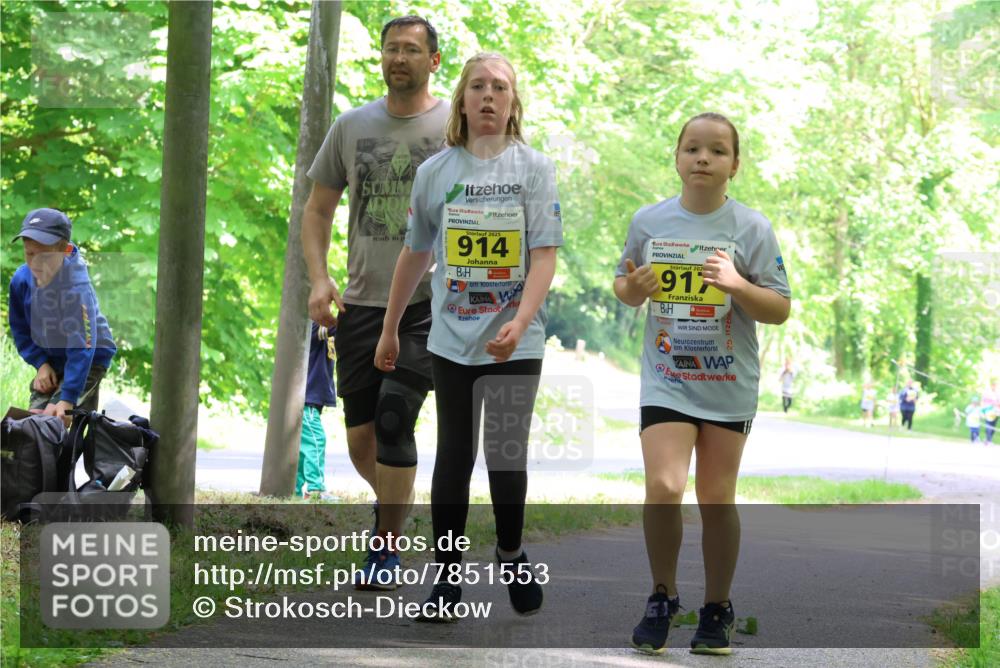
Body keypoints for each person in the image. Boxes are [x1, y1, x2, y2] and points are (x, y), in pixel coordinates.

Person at [375, 52, 562, 621]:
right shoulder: (438, 172)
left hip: (514, 340)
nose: (487, 95)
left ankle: (510, 552)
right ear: (461, 99)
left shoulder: (534, 168)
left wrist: (521, 321)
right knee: (452, 458)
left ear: (512, 103)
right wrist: (389, 329)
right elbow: (416, 253)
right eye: (477, 86)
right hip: (451, 339)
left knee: (504, 458)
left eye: (498, 87)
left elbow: (544, 255)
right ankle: (447, 585)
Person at [614, 113, 790, 655]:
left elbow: (779, 307)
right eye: (692, 148)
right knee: (665, 487)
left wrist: (737, 284)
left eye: (717, 151)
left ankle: (717, 608)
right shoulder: (649, 221)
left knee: (716, 497)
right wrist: (634, 288)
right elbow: (623, 284)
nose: (703, 159)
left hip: (727, 383)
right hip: (666, 379)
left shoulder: (752, 228)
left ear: (734, 165)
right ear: (677, 157)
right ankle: (662, 597)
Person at [301, 15, 449, 589]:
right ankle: (392, 511)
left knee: (393, 417)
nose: (400, 58)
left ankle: (384, 548)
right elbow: (317, 210)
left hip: (428, 302)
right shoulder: (352, 125)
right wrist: (319, 279)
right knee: (361, 437)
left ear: (433, 61)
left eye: (412, 50)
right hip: (360, 301)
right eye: (392, 49)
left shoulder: (452, 127)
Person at [9, 208, 116, 419]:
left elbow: (83, 345)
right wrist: (41, 363)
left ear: (64, 251)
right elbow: (20, 329)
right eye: (30, 254)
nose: (36, 263)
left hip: (90, 355)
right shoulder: (21, 280)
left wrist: (67, 397)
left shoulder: (76, 288)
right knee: (34, 416)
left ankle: (72, 429)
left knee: (56, 416)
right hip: (53, 358)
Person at [296, 322, 337, 499]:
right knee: (315, 440)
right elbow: (337, 326)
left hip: (311, 400)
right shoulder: (311, 326)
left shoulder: (321, 331)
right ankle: (315, 488)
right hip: (307, 400)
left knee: (302, 447)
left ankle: (294, 488)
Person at [981, 380, 998, 445]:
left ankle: (987, 439)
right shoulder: (987, 393)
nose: (995, 387)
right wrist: (982, 411)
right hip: (989, 411)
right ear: (991, 386)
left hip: (996, 412)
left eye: (996, 386)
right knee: (989, 425)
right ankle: (989, 440)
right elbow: (983, 401)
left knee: (993, 426)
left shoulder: (998, 393)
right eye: (994, 385)